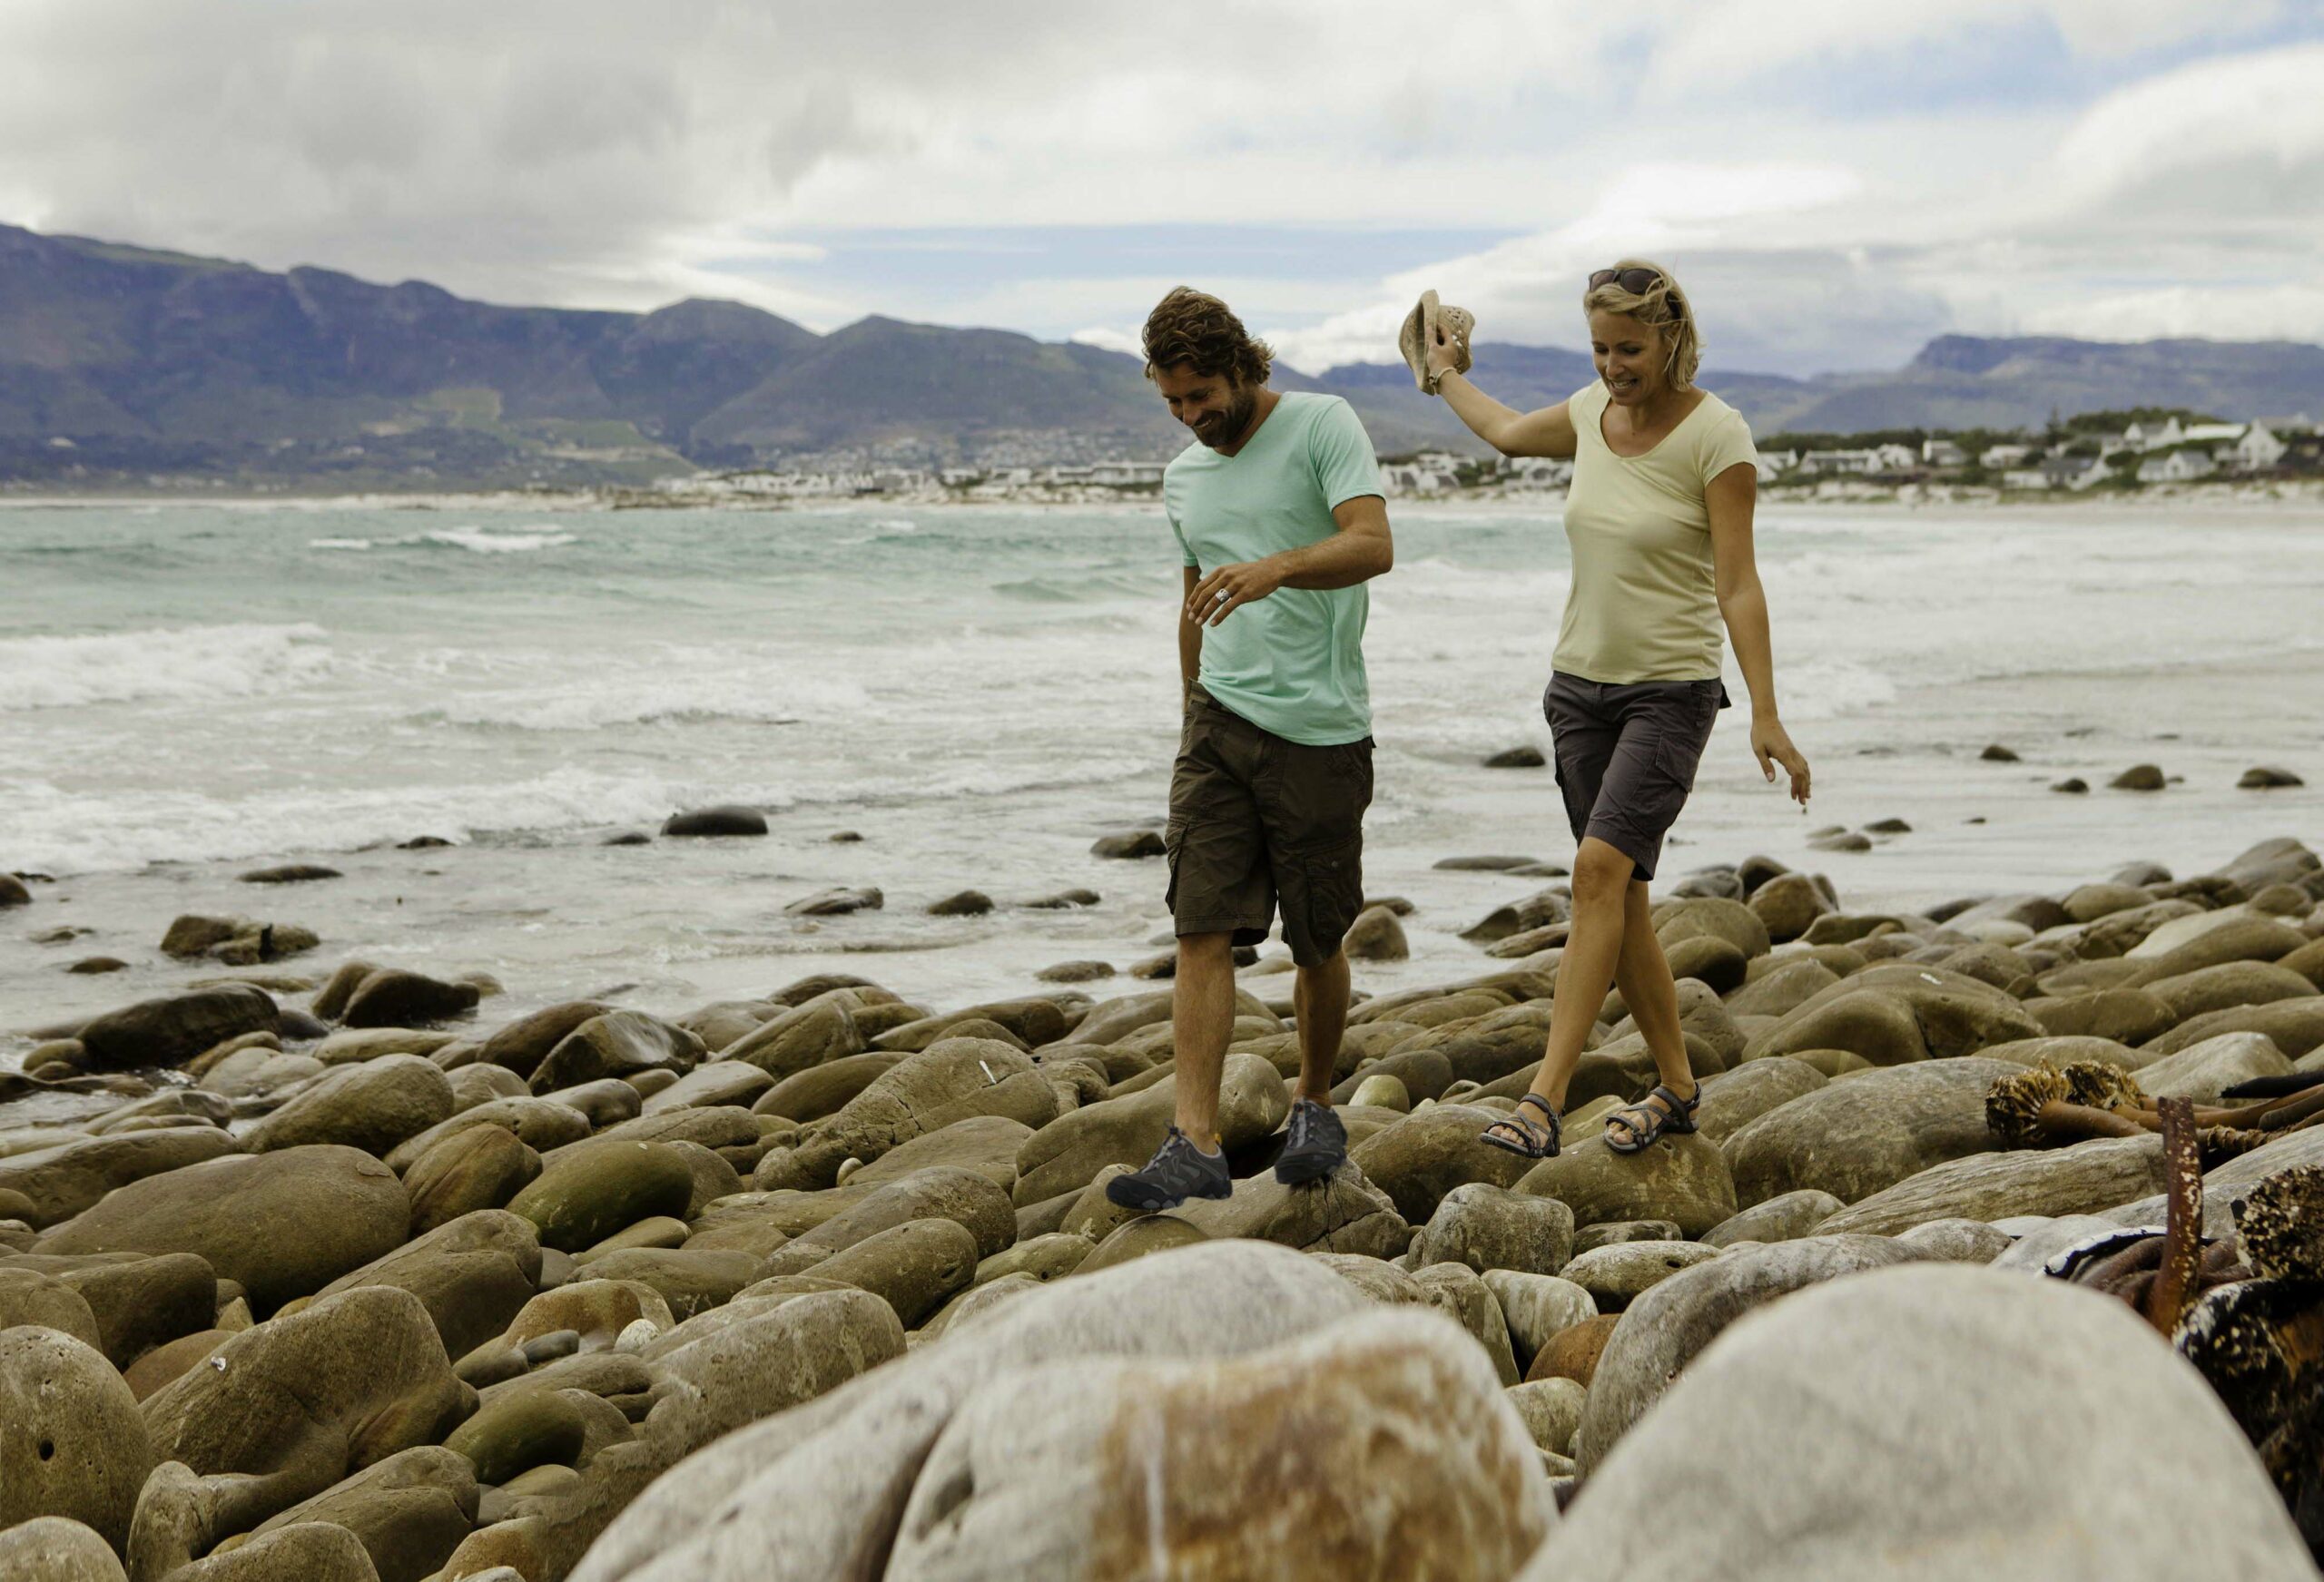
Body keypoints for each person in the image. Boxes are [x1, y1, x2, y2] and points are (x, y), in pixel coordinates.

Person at [1420, 260, 1812, 1160]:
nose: (1610, 366)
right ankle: (1677, 1086)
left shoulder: (1719, 436)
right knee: (1622, 893)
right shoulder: (1592, 416)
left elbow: (1739, 585)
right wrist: (1444, 374)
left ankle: (1544, 1097)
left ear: (1671, 337)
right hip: (1576, 693)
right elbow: (1510, 433)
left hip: (1668, 694)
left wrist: (1764, 711)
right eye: (1598, 347)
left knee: (1596, 874)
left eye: (1628, 349)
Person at [1107, 286, 1395, 1212]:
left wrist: (1278, 567)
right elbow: (1193, 595)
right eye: (1172, 403)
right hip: (1218, 725)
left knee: (1317, 938)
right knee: (1200, 924)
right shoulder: (1182, 479)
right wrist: (1191, 708)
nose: (1191, 418)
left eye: (1201, 396)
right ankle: (1192, 1138)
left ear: (1240, 367)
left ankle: (1312, 1100)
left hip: (1320, 730)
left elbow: (1372, 543)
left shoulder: (1321, 424)